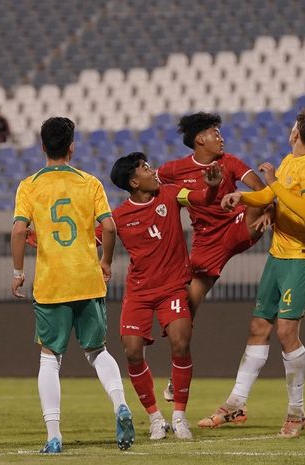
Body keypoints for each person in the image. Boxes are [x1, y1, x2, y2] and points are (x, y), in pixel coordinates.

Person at [197, 108, 305, 438]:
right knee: (259, 326)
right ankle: (236, 403)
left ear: (297, 133)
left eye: (293, 126)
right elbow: (271, 196)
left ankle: (297, 412)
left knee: (286, 331)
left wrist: (272, 182)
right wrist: (243, 196)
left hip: (301, 257)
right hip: (277, 256)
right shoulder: (289, 162)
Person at [10, 117, 134, 453]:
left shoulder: (29, 185)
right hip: (87, 279)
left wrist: (18, 270)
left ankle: (53, 435)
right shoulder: (89, 182)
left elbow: (20, 231)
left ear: (42, 147)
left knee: (50, 358)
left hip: (52, 284)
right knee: (97, 351)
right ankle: (120, 405)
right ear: (72, 146)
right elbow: (109, 228)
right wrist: (105, 261)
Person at [103, 152, 223, 441]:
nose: (152, 170)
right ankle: (155, 418)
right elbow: (89, 237)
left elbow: (201, 198)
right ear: (134, 182)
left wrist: (214, 187)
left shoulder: (170, 194)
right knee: (132, 351)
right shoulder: (118, 217)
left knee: (181, 342)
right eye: (145, 168)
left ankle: (180, 417)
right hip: (139, 292)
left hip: (172, 287)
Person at [157, 112, 270, 402]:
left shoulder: (229, 162)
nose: (221, 138)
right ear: (199, 139)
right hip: (206, 241)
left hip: (237, 226)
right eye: (214, 133)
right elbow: (149, 185)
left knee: (272, 204)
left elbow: (262, 190)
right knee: (186, 312)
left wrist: (268, 210)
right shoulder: (174, 170)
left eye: (220, 133)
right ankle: (175, 378)